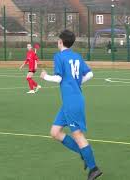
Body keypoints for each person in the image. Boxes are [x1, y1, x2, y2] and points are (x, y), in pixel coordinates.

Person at [40, 30, 102, 180]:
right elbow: (90, 74)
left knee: (78, 134)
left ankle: (94, 168)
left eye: (58, 40)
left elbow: (58, 79)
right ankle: (83, 153)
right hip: (71, 101)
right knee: (55, 132)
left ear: (61, 42)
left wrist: (45, 76)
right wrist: (77, 82)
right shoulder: (76, 56)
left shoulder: (59, 56)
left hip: (72, 102)